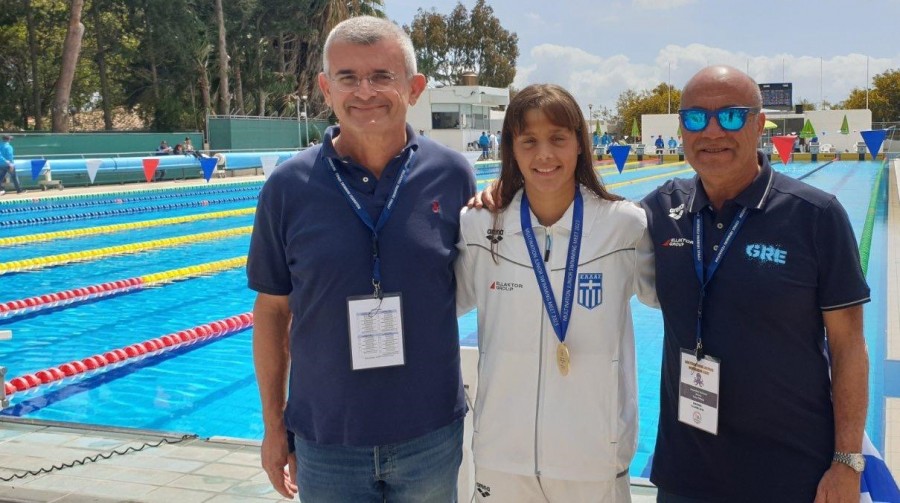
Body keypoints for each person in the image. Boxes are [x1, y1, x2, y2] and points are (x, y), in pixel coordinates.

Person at [247, 15, 475, 502]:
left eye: (381, 76)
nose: (364, 91)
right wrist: (273, 426)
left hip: (430, 433)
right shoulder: (287, 187)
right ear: (325, 88)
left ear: (414, 88)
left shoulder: (452, 175)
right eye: (348, 77)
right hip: (325, 439)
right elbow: (271, 311)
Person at [642, 65, 869, 502]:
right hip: (685, 477)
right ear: (681, 128)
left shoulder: (815, 216)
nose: (712, 131)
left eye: (731, 116)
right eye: (695, 117)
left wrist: (847, 462)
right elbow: (587, 220)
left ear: (759, 124)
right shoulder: (662, 208)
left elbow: (849, 347)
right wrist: (507, 195)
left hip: (791, 477)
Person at [456, 83, 657, 502]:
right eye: (528, 141)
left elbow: (675, 299)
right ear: (511, 150)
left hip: (593, 460)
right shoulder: (479, 226)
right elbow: (445, 304)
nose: (544, 154)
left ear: (580, 144)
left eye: (558, 139)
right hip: (501, 456)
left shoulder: (623, 226)